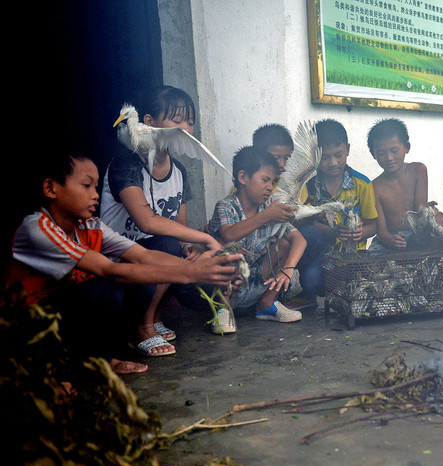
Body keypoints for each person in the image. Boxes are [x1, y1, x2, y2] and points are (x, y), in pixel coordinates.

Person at [6, 151, 241, 372]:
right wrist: (191, 273)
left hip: (61, 320)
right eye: (86, 186)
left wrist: (199, 268)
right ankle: (69, 371)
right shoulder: (38, 227)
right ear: (50, 188)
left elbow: (143, 255)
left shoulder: (91, 226)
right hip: (27, 327)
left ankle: (101, 360)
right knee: (103, 289)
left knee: (137, 282)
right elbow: (109, 269)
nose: (95, 194)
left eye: (96, 187)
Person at [100, 86, 224, 351]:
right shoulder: (127, 163)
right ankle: (143, 326)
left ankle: (154, 315)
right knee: (167, 244)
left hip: (154, 259)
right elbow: (147, 221)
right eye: (177, 121)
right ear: (149, 123)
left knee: (190, 260)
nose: (186, 130)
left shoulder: (178, 171)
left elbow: (179, 228)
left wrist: (189, 247)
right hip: (117, 259)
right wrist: (204, 238)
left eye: (190, 123)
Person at [207, 146, 306, 322]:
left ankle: (267, 304)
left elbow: (300, 240)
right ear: (243, 177)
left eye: (273, 182)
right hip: (225, 286)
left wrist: (289, 269)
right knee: (228, 251)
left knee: (285, 244)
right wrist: (266, 216)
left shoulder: (270, 208)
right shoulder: (226, 206)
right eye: (265, 180)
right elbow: (229, 235)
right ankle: (222, 311)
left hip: (257, 281)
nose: (270, 188)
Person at [295, 118, 378, 298]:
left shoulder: (362, 184)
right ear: (314, 155)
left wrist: (361, 233)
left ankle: (338, 285)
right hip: (323, 254)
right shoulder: (307, 185)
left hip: (353, 258)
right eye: (325, 157)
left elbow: (374, 225)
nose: (333, 163)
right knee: (310, 278)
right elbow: (299, 222)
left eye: (338, 155)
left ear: (347, 149)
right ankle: (314, 286)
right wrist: (330, 232)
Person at [367, 118, 443, 250]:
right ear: (373, 154)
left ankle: (429, 264)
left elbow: (419, 210)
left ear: (407, 147)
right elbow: (381, 231)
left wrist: (427, 210)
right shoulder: (374, 187)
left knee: (441, 220)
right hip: (392, 239)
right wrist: (391, 240)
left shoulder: (418, 170)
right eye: (381, 153)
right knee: (371, 265)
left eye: (394, 151)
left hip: (418, 234)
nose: (389, 158)